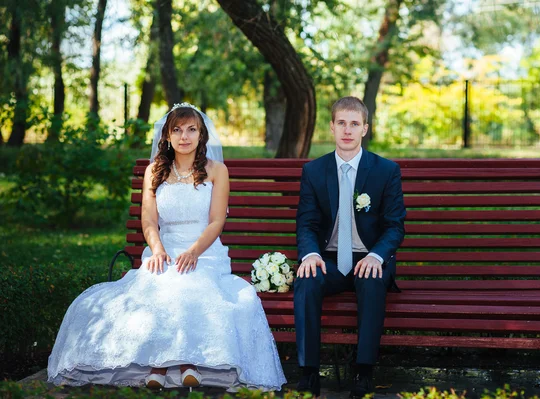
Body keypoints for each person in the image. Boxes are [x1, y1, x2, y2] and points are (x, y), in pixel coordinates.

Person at [47, 103, 286, 391]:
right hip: (164, 249)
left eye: (191, 130)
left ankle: (168, 366)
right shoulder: (154, 172)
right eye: (177, 130)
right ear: (167, 136)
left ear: (201, 135)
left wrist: (194, 251)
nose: (184, 136)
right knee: (158, 284)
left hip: (205, 252)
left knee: (185, 284)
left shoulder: (217, 171)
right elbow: (148, 219)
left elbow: (216, 222)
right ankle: (176, 365)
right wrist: (158, 249)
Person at [294, 96, 406, 398]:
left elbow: (395, 226)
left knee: (370, 279)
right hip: (328, 259)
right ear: (331, 127)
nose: (347, 130)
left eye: (354, 124)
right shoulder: (314, 171)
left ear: (364, 129)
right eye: (341, 123)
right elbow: (306, 223)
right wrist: (311, 254)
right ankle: (309, 373)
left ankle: (364, 372)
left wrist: (377, 255)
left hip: (368, 257)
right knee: (306, 278)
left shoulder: (385, 171)